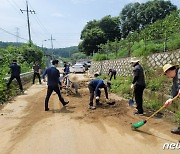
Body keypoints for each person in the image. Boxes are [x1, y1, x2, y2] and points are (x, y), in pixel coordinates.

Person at [163, 64, 180, 135]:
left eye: (166, 74)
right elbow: (174, 88)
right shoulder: (175, 77)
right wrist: (170, 98)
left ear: (169, 71)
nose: (167, 76)